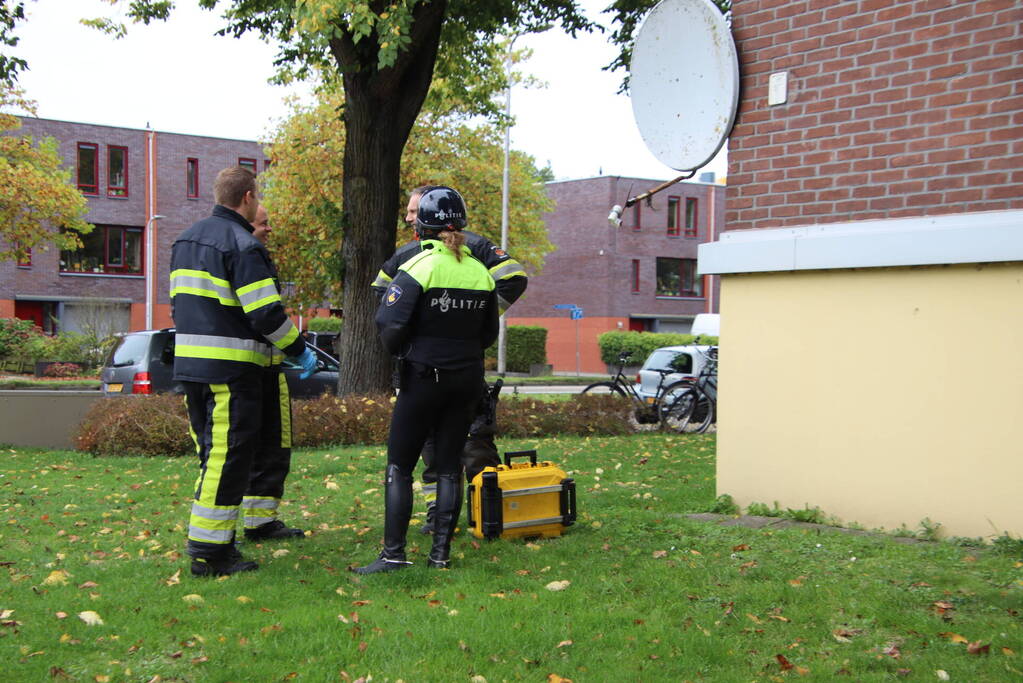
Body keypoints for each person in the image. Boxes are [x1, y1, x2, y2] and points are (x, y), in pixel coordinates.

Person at [170, 167, 317, 577]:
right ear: (248, 197)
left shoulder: (186, 240)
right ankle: (210, 553)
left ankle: (225, 538)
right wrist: (299, 349)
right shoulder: (242, 245)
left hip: (193, 367)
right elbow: (265, 313)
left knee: (215, 455)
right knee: (228, 457)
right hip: (231, 371)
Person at [354, 186, 499, 574]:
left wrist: (408, 351)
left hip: (422, 377)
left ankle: (393, 554)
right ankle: (440, 556)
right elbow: (489, 334)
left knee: (399, 466)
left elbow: (388, 324)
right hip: (467, 379)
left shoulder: (419, 267)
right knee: (450, 466)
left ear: (422, 227)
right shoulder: (481, 273)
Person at [371, 185, 528, 533]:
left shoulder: (474, 248)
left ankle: (485, 509)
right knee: (437, 448)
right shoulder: (408, 254)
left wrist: (465, 322)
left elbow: (514, 277)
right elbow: (382, 293)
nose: (408, 218)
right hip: (450, 367)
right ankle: (441, 519)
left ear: (429, 216)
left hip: (437, 368)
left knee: (471, 441)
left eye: (413, 212)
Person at [241, 205, 306, 543]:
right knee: (259, 448)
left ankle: (261, 521)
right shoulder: (247, 254)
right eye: (263, 223)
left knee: (271, 448)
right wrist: (299, 350)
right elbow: (266, 314)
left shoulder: (245, 253)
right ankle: (254, 523)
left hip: (264, 367)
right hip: (255, 368)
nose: (269, 229)